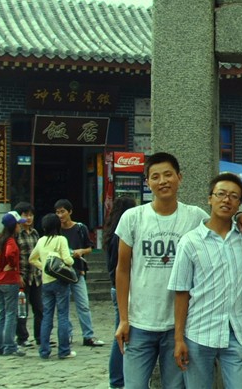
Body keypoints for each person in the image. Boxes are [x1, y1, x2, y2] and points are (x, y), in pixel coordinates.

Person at [114, 152, 210, 389]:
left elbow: (222, 228)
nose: (163, 181)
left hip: (178, 326)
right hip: (139, 324)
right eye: (155, 177)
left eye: (168, 175)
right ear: (147, 182)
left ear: (179, 177)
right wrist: (123, 319)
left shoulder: (195, 216)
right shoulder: (133, 217)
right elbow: (123, 269)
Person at [168, 172, 242, 387]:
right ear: (210, 198)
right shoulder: (190, 242)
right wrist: (179, 339)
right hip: (198, 334)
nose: (226, 200)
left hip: (236, 334)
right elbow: (181, 292)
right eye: (221, 194)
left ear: (239, 203)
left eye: (234, 196)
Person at [54, 198, 104, 347]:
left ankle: (88, 336)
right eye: (57, 212)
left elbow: (89, 248)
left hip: (77, 271)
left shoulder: (80, 228)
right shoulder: (56, 230)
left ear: (70, 212)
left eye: (62, 211)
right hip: (61, 273)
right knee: (63, 307)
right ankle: (67, 335)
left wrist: (81, 251)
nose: (60, 215)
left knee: (83, 305)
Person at [29, 213, 76, 359]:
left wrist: (44, 266)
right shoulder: (61, 239)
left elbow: (32, 259)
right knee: (62, 315)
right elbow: (68, 260)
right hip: (60, 281)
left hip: (46, 282)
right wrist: (71, 258)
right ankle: (64, 350)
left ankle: (44, 351)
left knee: (47, 316)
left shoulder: (41, 241)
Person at [103, 196, 137, 389]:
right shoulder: (121, 234)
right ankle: (117, 381)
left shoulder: (110, 232)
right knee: (121, 334)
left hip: (114, 286)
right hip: (121, 287)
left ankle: (117, 379)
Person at [0, 211, 26, 357]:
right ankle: (9, 346)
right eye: (19, 224)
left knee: (2, 313)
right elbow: (10, 254)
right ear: (14, 226)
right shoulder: (10, 241)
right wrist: (12, 265)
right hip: (9, 280)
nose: (20, 226)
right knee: (11, 314)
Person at [13, 201, 42, 348]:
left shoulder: (35, 233)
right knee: (22, 310)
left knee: (40, 308)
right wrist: (17, 275)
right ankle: (22, 338)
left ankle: (40, 336)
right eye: (25, 215)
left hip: (36, 276)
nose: (29, 218)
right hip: (23, 277)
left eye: (31, 215)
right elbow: (13, 257)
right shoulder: (16, 235)